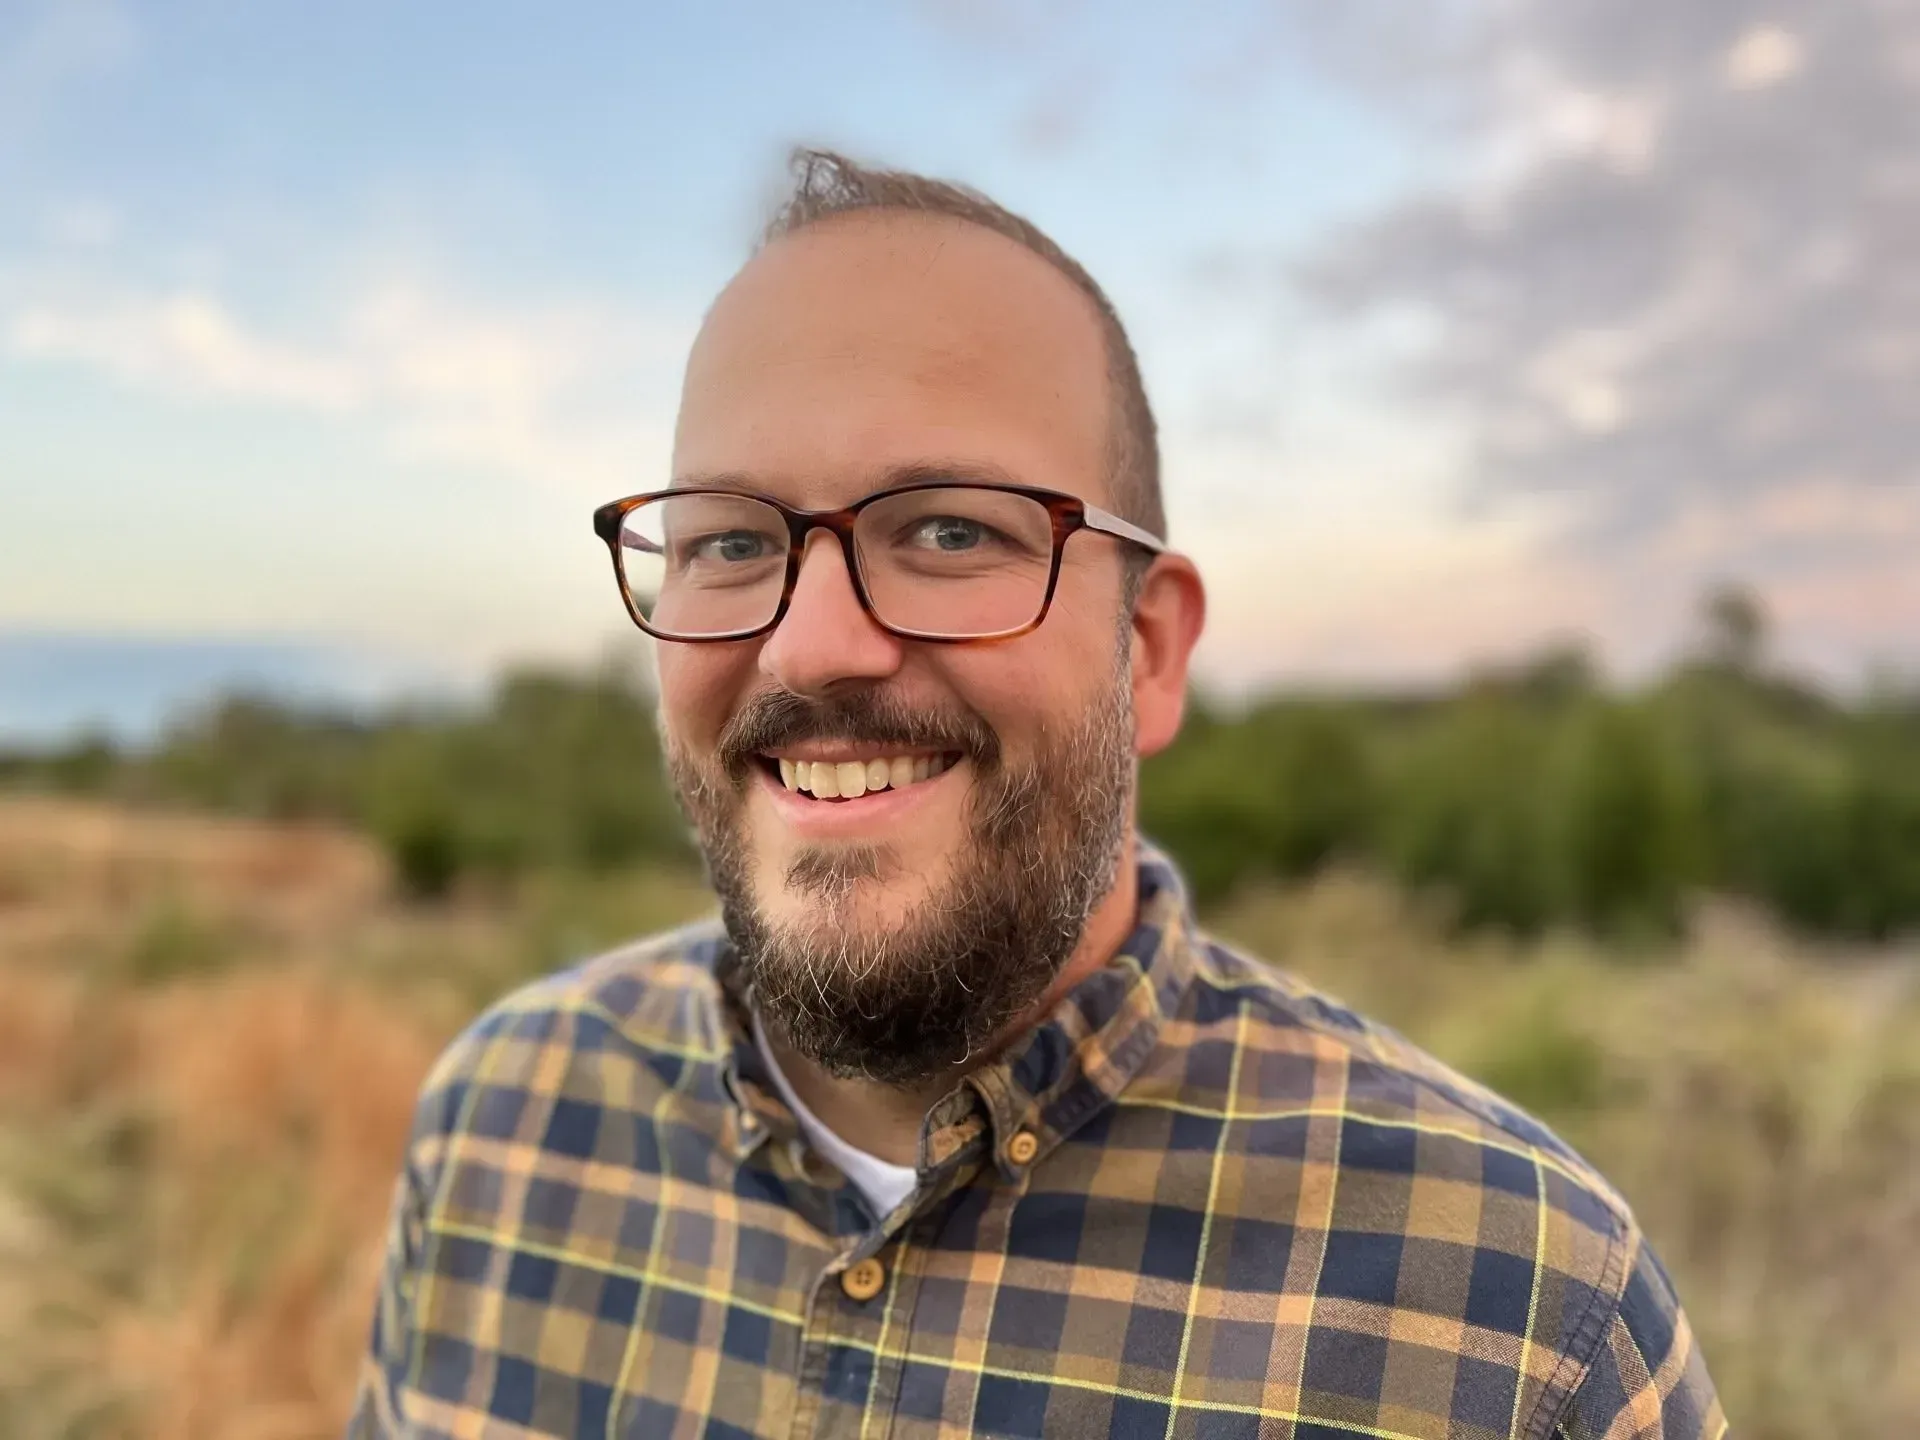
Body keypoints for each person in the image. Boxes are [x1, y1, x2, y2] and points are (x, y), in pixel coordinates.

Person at [351, 150, 1724, 1440]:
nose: (811, 645)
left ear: (1150, 649)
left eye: (950, 528)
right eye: (726, 541)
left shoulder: (1517, 1325)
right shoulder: (503, 1130)